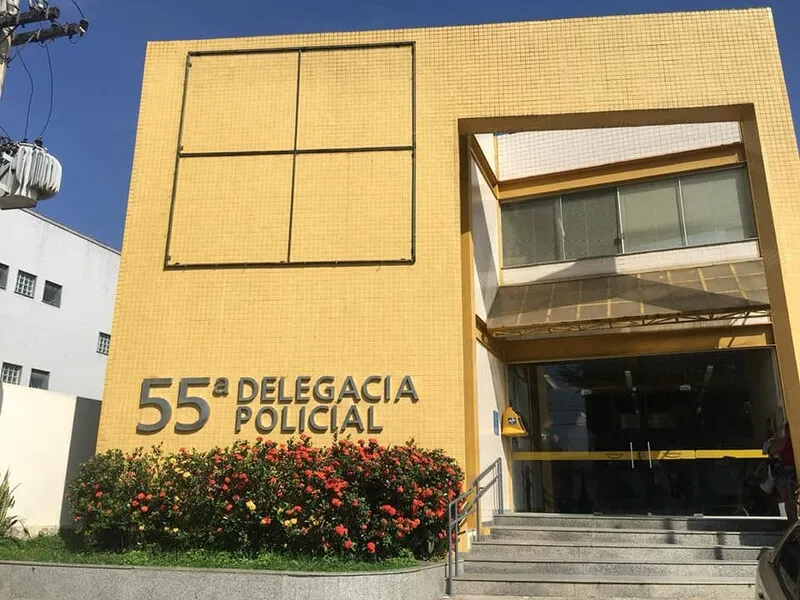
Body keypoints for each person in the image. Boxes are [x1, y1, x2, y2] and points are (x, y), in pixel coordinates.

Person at [768, 423, 797, 523]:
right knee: (790, 501)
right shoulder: (787, 441)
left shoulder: (788, 441)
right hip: (788, 472)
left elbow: (771, 450)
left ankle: (792, 524)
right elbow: (770, 450)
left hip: (789, 472)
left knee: (790, 501)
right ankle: (792, 524)